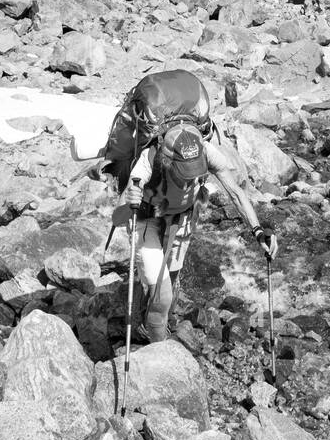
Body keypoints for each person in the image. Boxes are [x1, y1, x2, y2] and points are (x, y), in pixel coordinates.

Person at [119, 123, 278, 343]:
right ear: (168, 161)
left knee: (169, 283)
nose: (188, 181)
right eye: (184, 173)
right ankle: (158, 353)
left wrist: (258, 231)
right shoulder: (150, 159)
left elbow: (236, 194)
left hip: (182, 219)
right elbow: (127, 196)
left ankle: (151, 319)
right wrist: (132, 196)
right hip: (148, 220)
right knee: (163, 296)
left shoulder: (207, 152)